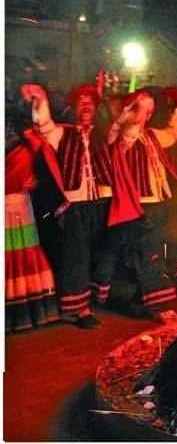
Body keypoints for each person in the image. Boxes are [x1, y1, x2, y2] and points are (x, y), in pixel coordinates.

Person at [93, 89, 177, 320]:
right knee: (147, 252)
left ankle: (138, 300)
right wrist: (135, 112)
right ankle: (159, 306)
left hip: (158, 203)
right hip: (139, 206)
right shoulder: (124, 137)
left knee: (147, 252)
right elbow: (128, 133)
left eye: (149, 112)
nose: (146, 116)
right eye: (143, 111)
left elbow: (174, 132)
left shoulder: (152, 135)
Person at [21, 83, 114, 328]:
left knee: (98, 251)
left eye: (90, 103)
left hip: (101, 200)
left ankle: (93, 298)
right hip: (74, 203)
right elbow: (43, 124)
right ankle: (80, 310)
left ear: (95, 108)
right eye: (81, 102)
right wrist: (40, 97)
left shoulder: (103, 133)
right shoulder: (62, 133)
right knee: (77, 255)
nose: (86, 106)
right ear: (74, 108)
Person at [5, 129, 65, 332]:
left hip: (22, 204)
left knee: (25, 251)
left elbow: (42, 168)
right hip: (11, 206)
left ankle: (30, 313)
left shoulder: (28, 146)